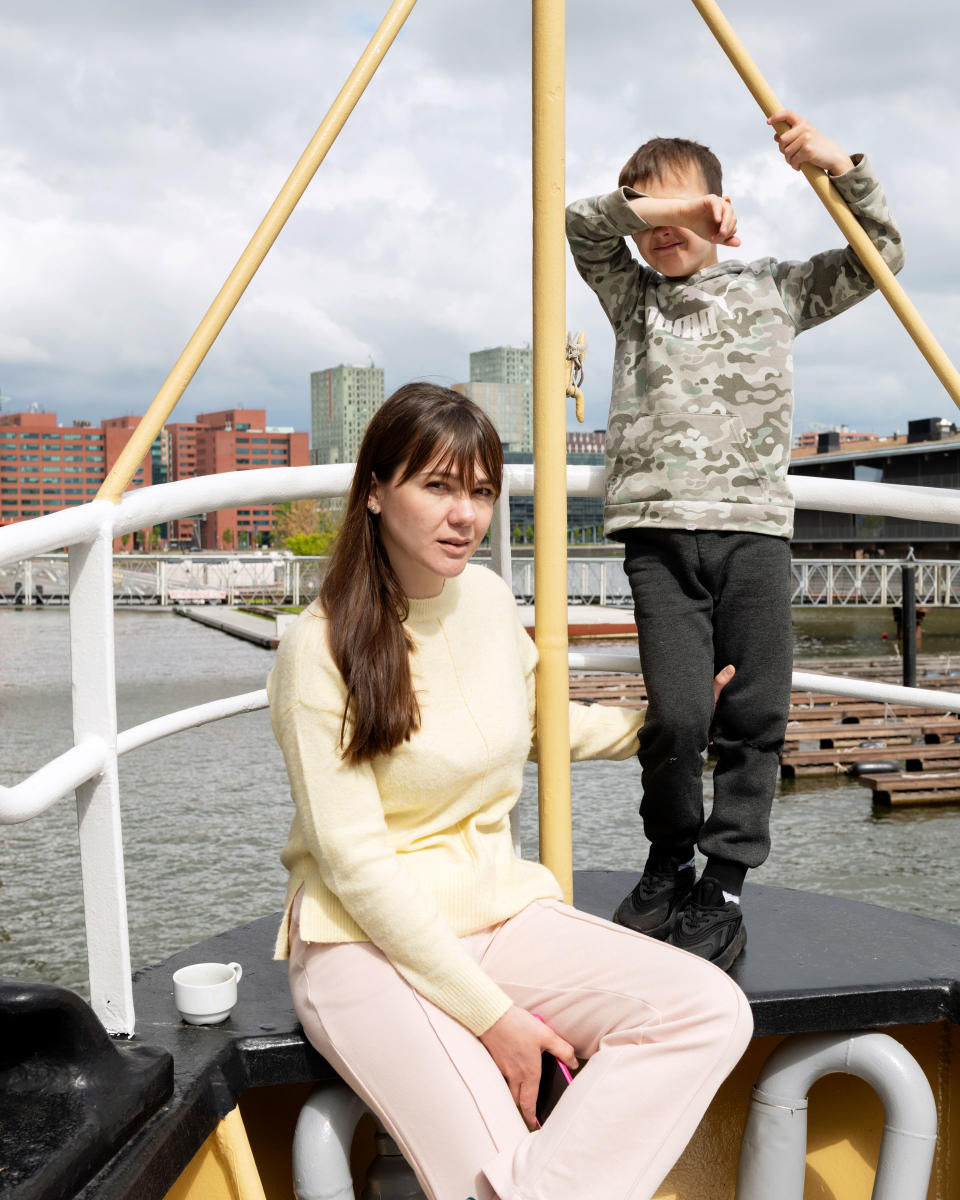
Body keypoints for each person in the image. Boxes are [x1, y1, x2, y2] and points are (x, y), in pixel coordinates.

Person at [268, 382, 753, 1200]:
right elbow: (356, 867)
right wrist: (494, 1019)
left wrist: (669, 724)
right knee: (488, 1168)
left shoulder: (490, 603)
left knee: (709, 1012)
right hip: (363, 945)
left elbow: (538, 729)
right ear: (378, 491)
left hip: (502, 915)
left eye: (482, 492)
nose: (465, 515)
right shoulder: (318, 651)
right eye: (438, 486)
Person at [565, 111, 904, 969]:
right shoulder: (630, 296)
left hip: (753, 533)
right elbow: (577, 223)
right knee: (677, 715)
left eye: (680, 206)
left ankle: (723, 882)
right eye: (644, 211)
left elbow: (883, 255)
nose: (661, 226)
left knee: (754, 716)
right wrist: (656, 212)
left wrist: (838, 165)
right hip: (659, 539)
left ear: (721, 203)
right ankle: (667, 858)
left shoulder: (773, 289)